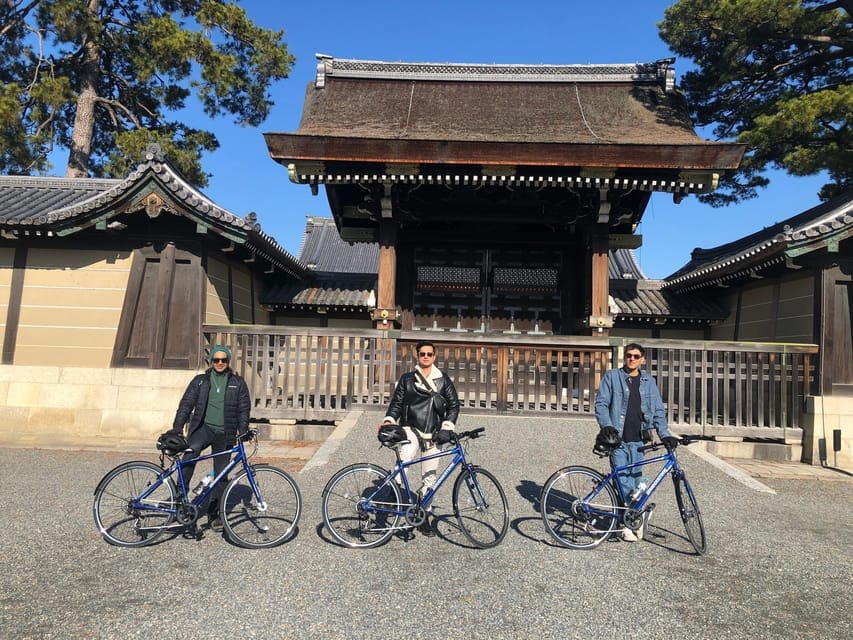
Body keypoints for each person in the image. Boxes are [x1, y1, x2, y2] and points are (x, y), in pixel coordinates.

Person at [594, 342, 679, 542]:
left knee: (636, 481)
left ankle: (634, 518)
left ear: (642, 359)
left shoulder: (648, 381)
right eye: (629, 355)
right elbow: (601, 403)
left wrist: (664, 434)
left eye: (636, 356)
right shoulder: (612, 377)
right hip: (618, 439)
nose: (631, 359)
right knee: (623, 481)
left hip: (640, 439)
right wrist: (606, 425)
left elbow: (658, 410)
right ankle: (625, 524)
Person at [381, 340, 460, 536]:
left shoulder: (443, 379)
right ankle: (396, 488)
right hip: (411, 428)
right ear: (417, 356)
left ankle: (423, 514)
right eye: (422, 354)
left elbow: (454, 405)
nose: (426, 357)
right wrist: (390, 419)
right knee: (406, 454)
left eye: (429, 354)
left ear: (434, 356)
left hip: (434, 432)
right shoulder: (407, 379)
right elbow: (397, 403)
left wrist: (447, 426)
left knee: (430, 478)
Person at [169, 345, 251, 531]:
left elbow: (243, 408)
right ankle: (179, 497)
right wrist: (177, 426)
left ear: (228, 362)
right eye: (216, 360)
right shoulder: (200, 381)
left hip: (225, 432)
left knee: (221, 474)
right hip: (203, 428)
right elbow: (186, 404)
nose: (220, 363)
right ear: (211, 361)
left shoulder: (237, 383)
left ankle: (215, 514)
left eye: (223, 360)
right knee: (189, 456)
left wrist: (243, 429)